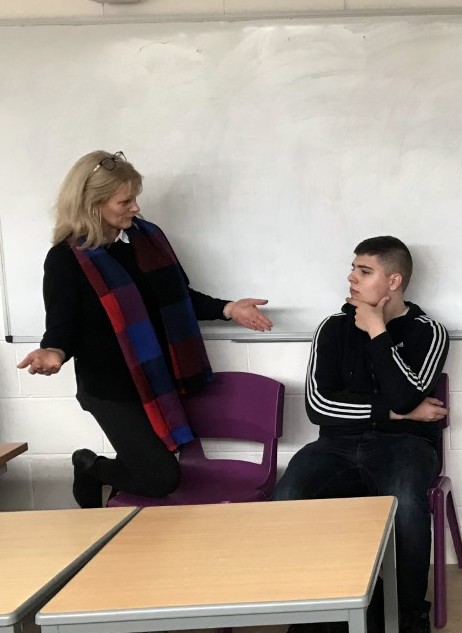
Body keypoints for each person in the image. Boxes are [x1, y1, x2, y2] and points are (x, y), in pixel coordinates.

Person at [17, 150, 272, 509]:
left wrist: (228, 309)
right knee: (161, 477)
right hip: (109, 389)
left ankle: (105, 489)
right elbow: (63, 324)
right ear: (93, 203)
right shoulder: (66, 258)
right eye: (125, 201)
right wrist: (53, 351)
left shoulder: (148, 241)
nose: (136, 207)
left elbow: (178, 297)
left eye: (135, 197)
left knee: (154, 465)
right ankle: (90, 467)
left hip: (155, 380)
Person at [275, 236, 449, 633]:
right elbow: (319, 406)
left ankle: (407, 613)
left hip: (405, 445)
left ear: (393, 281)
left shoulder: (430, 331)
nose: (351, 278)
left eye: (364, 271)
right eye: (353, 269)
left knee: (406, 505)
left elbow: (407, 394)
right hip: (335, 445)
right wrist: (396, 412)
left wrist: (377, 332)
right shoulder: (332, 328)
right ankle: (312, 607)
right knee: (288, 497)